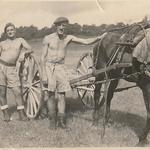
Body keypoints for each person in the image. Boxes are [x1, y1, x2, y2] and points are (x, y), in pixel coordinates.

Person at [41, 17, 107, 129]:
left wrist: (99, 38)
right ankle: (52, 121)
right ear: (55, 26)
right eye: (60, 25)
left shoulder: (68, 38)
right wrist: (44, 75)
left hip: (61, 67)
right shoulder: (47, 39)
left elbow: (85, 41)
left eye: (64, 26)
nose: (62, 28)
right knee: (51, 95)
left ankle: (61, 121)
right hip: (49, 67)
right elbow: (43, 57)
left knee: (62, 95)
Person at [0, 23, 32, 122]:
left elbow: (30, 49)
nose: (10, 32)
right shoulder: (2, 43)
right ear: (6, 33)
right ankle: (5, 113)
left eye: (12, 30)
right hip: (1, 67)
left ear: (15, 30)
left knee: (17, 91)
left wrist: (24, 53)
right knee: (2, 91)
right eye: (8, 30)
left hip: (12, 69)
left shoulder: (20, 40)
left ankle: (21, 114)